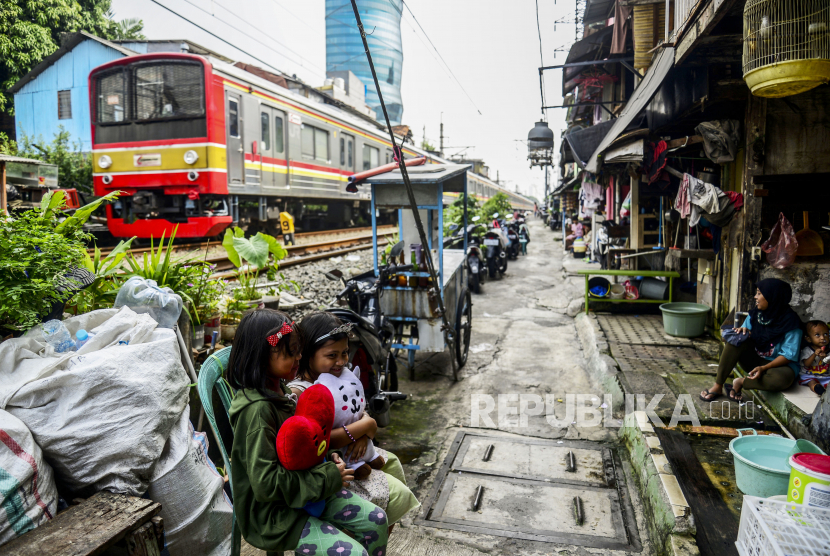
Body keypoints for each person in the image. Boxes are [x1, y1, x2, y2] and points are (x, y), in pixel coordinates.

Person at [227, 309, 389, 556]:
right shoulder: (257, 413)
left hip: (307, 493)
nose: (299, 356)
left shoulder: (281, 391)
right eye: (291, 351)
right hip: (276, 515)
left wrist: (329, 455)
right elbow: (265, 485)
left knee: (376, 520)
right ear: (263, 355)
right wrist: (325, 478)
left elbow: (305, 442)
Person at [288, 312, 420, 530]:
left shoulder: (340, 375)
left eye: (345, 353)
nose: (341, 361)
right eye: (332, 355)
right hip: (332, 468)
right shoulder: (303, 392)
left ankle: (380, 535)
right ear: (308, 354)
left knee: (393, 462)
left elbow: (359, 409)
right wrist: (365, 427)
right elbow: (319, 441)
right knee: (397, 495)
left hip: (354, 453)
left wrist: (365, 431)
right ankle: (372, 535)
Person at [701, 279, 803, 402]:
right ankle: (718, 385)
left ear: (773, 297)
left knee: (782, 380)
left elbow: (788, 355)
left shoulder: (791, 323)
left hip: (779, 366)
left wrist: (764, 368)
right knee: (737, 340)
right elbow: (744, 335)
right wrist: (742, 332)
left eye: (759, 293)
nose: (755, 297)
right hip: (755, 361)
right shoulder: (756, 315)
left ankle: (741, 382)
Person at [798, 320, 830, 396]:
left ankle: (826, 389)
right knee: (811, 382)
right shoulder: (807, 350)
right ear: (809, 339)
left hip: (825, 376)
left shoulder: (828, 351)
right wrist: (814, 355)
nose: (822, 338)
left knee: (828, 383)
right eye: (817, 335)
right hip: (810, 375)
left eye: (825, 334)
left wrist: (826, 358)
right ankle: (816, 388)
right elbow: (807, 364)